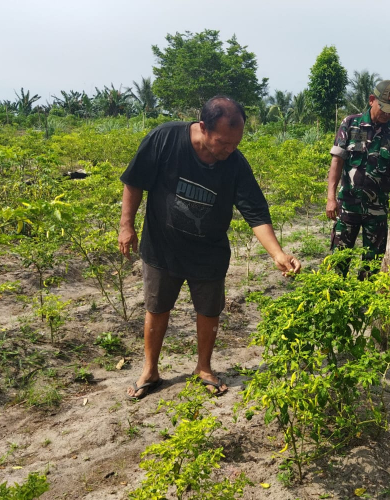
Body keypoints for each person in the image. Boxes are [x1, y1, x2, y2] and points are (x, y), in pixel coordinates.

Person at [118, 96, 301, 399]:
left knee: (208, 311)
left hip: (209, 251)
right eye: (223, 143)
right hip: (163, 246)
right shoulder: (165, 139)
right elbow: (134, 181)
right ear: (203, 127)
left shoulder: (235, 164)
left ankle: (203, 367)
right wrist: (126, 225)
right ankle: (150, 370)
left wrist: (277, 254)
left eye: (235, 144)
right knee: (157, 306)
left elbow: (255, 211)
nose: (229, 150)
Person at [326, 80, 390, 277]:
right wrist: (331, 198)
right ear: (372, 100)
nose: (388, 114)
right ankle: (335, 304)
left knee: (372, 265)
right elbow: (337, 162)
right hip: (348, 206)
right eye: (384, 108)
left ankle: (364, 305)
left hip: (377, 210)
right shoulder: (350, 123)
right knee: (338, 261)